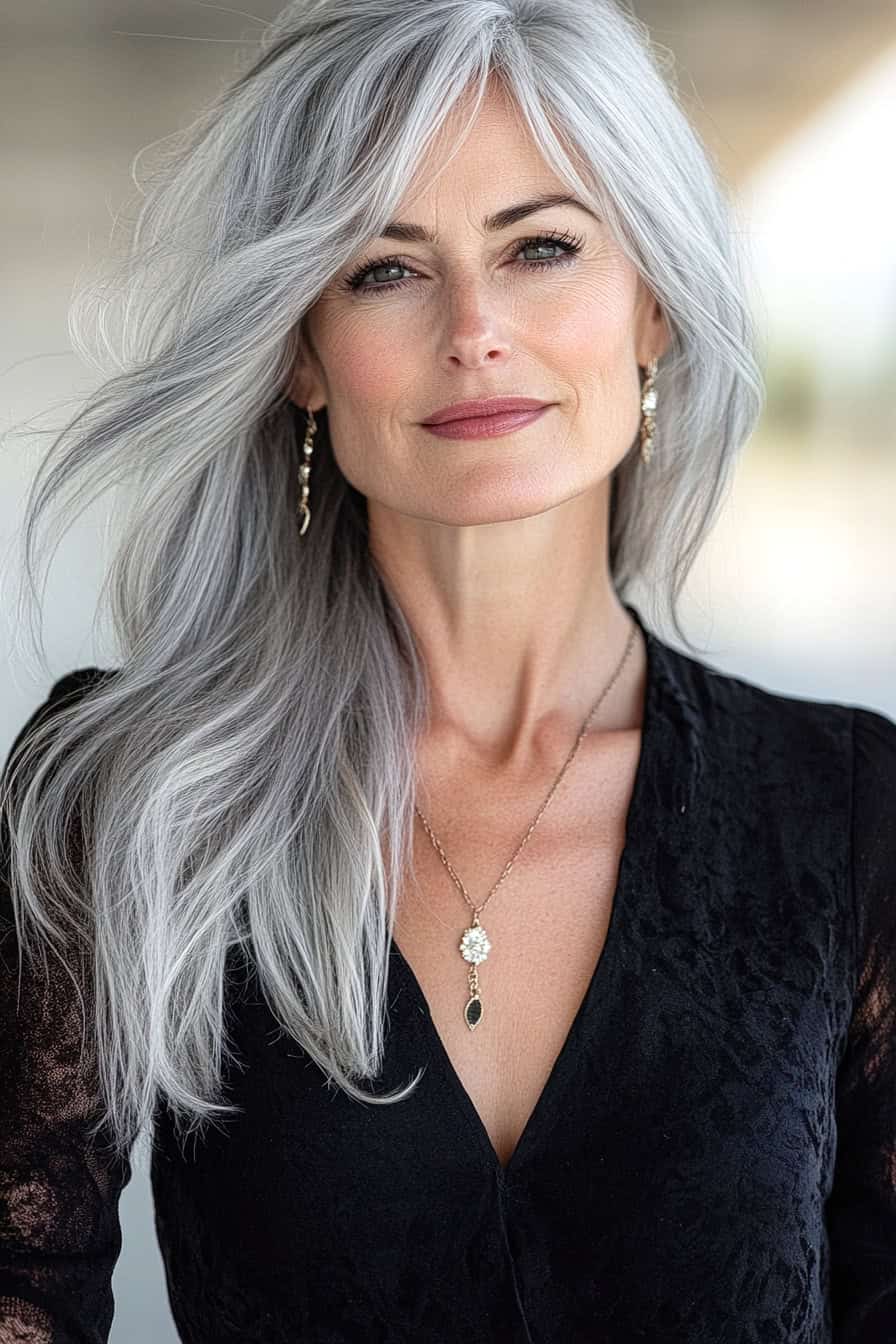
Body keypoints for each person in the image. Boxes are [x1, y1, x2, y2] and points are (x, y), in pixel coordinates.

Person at [1, 1, 893, 1340]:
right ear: (301, 353)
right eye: (385, 268)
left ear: (652, 305)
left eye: (541, 247)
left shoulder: (850, 807)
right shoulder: (127, 795)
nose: (475, 327)